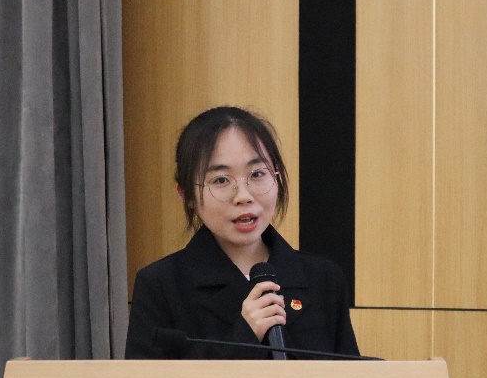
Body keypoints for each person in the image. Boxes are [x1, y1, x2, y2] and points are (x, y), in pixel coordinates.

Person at [125, 106, 360, 359]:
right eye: (221, 180)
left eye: (257, 174)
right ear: (187, 195)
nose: (244, 196)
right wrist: (244, 337)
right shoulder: (161, 285)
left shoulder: (323, 279)